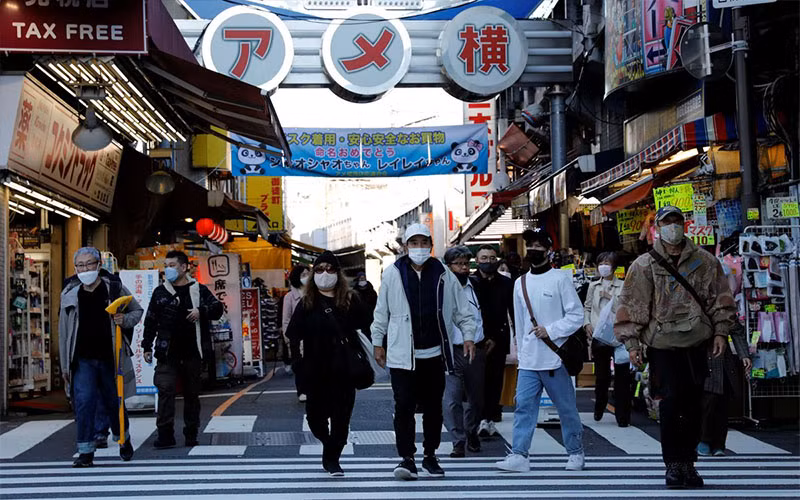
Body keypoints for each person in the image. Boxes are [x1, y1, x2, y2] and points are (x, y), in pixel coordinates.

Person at [615, 205, 737, 489]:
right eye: (667, 222)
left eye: (677, 221)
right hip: (662, 345)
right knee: (671, 404)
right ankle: (673, 464)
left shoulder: (705, 261)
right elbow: (632, 306)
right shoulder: (644, 265)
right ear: (658, 227)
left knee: (694, 403)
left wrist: (721, 332)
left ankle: (688, 463)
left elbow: (720, 298)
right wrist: (632, 343)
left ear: (685, 225)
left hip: (697, 342)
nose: (673, 226)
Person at [371, 223, 477, 480]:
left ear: (430, 245)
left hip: (434, 353)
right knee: (404, 407)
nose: (419, 248)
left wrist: (468, 336)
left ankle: (430, 455)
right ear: (405, 246)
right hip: (402, 355)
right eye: (414, 243)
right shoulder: (393, 273)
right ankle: (407, 458)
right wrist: (377, 341)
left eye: (423, 242)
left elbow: (462, 310)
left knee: (433, 408)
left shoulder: (443, 273)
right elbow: (381, 311)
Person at [496, 231, 585, 473]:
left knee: (566, 408)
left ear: (548, 250)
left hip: (555, 357)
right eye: (530, 245)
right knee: (523, 407)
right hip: (529, 359)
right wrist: (521, 352)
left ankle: (575, 452)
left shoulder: (561, 279)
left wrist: (551, 330)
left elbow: (576, 315)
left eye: (538, 245)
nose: (533, 249)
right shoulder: (520, 283)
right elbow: (519, 322)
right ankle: (519, 454)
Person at [286, 251, 372, 477]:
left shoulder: (350, 299)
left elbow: (367, 322)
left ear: (338, 273)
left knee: (341, 418)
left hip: (345, 369)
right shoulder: (307, 302)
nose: (325, 273)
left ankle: (333, 459)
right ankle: (328, 444)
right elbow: (293, 334)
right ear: (313, 273)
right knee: (315, 418)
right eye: (320, 269)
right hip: (316, 369)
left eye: (330, 269)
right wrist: (297, 364)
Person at [59, 247, 143, 467]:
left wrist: (124, 320)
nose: (85, 269)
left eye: (89, 264)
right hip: (82, 358)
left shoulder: (113, 287)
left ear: (98, 265)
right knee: (84, 402)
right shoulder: (69, 292)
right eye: (80, 265)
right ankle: (85, 451)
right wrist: (64, 365)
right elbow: (63, 330)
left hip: (110, 357)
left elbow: (136, 310)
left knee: (114, 401)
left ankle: (123, 439)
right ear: (75, 268)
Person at [142, 250, 224, 449]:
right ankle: (165, 435)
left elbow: (217, 309)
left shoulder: (198, 290)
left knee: (191, 394)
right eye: (166, 266)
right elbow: (150, 320)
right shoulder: (160, 292)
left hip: (193, 351)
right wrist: (146, 346)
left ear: (184, 267)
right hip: (166, 352)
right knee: (165, 391)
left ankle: (191, 433)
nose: (167, 269)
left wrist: (200, 311)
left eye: (172, 265)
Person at [442, 246, 486, 458]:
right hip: (451, 350)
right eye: (458, 264)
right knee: (451, 399)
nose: (463, 268)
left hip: (475, 348)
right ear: (449, 266)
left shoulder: (476, 286)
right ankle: (458, 440)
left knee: (476, 397)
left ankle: (471, 430)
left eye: (466, 264)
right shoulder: (441, 288)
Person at [583, 251, 631, 426]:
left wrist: (611, 298)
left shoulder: (623, 286)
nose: (603, 266)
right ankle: (600, 405)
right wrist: (587, 324)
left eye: (607, 263)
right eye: (601, 263)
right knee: (601, 376)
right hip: (600, 335)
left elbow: (627, 309)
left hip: (619, 336)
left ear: (614, 267)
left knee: (622, 377)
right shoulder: (593, 286)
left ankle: (623, 416)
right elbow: (587, 307)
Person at [471, 245, 514, 439]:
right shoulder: (470, 282)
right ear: (477, 260)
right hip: (477, 339)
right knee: (477, 381)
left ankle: (490, 418)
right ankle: (479, 418)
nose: (488, 261)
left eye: (492, 258)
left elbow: (512, 311)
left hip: (499, 338)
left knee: (496, 381)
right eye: (484, 258)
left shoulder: (506, 283)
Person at [698, 321, 752, 456]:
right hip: (701, 358)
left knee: (721, 403)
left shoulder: (725, 313)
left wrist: (744, 355)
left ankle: (717, 443)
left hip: (722, 360)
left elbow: (736, 328)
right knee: (707, 402)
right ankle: (704, 439)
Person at [282, 264, 310, 402]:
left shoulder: (313, 294)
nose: (306, 277)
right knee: (300, 365)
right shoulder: (289, 297)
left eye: (308, 274)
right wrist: (288, 339)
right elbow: (286, 319)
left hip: (313, 335)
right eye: (303, 275)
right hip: (296, 337)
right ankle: (302, 390)